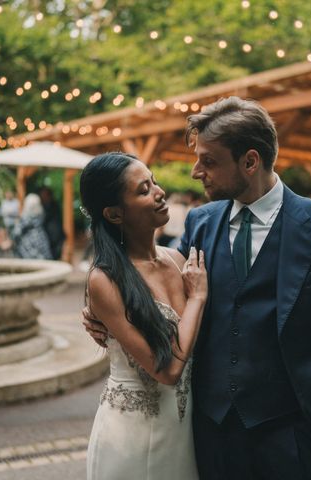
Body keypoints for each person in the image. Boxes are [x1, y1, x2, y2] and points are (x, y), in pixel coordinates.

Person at [85, 97, 311, 479]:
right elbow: (158, 289)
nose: (195, 171)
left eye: (209, 161)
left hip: (298, 434)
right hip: (213, 436)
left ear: (250, 161)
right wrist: (100, 312)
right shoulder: (201, 222)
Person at [81, 152, 206, 479]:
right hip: (132, 439)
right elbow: (166, 371)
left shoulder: (179, 260)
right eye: (144, 189)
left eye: (154, 182)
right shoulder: (105, 279)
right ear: (114, 214)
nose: (160, 192)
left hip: (181, 433)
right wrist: (199, 299)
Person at [12, 193, 52, 260]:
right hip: (41, 256)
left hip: (28, 256)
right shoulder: (40, 219)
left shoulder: (24, 220)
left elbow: (15, 235)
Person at [38, 187, 66, 260]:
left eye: (44, 195)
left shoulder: (53, 206)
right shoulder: (44, 206)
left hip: (55, 236)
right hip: (49, 236)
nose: (42, 197)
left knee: (55, 256)